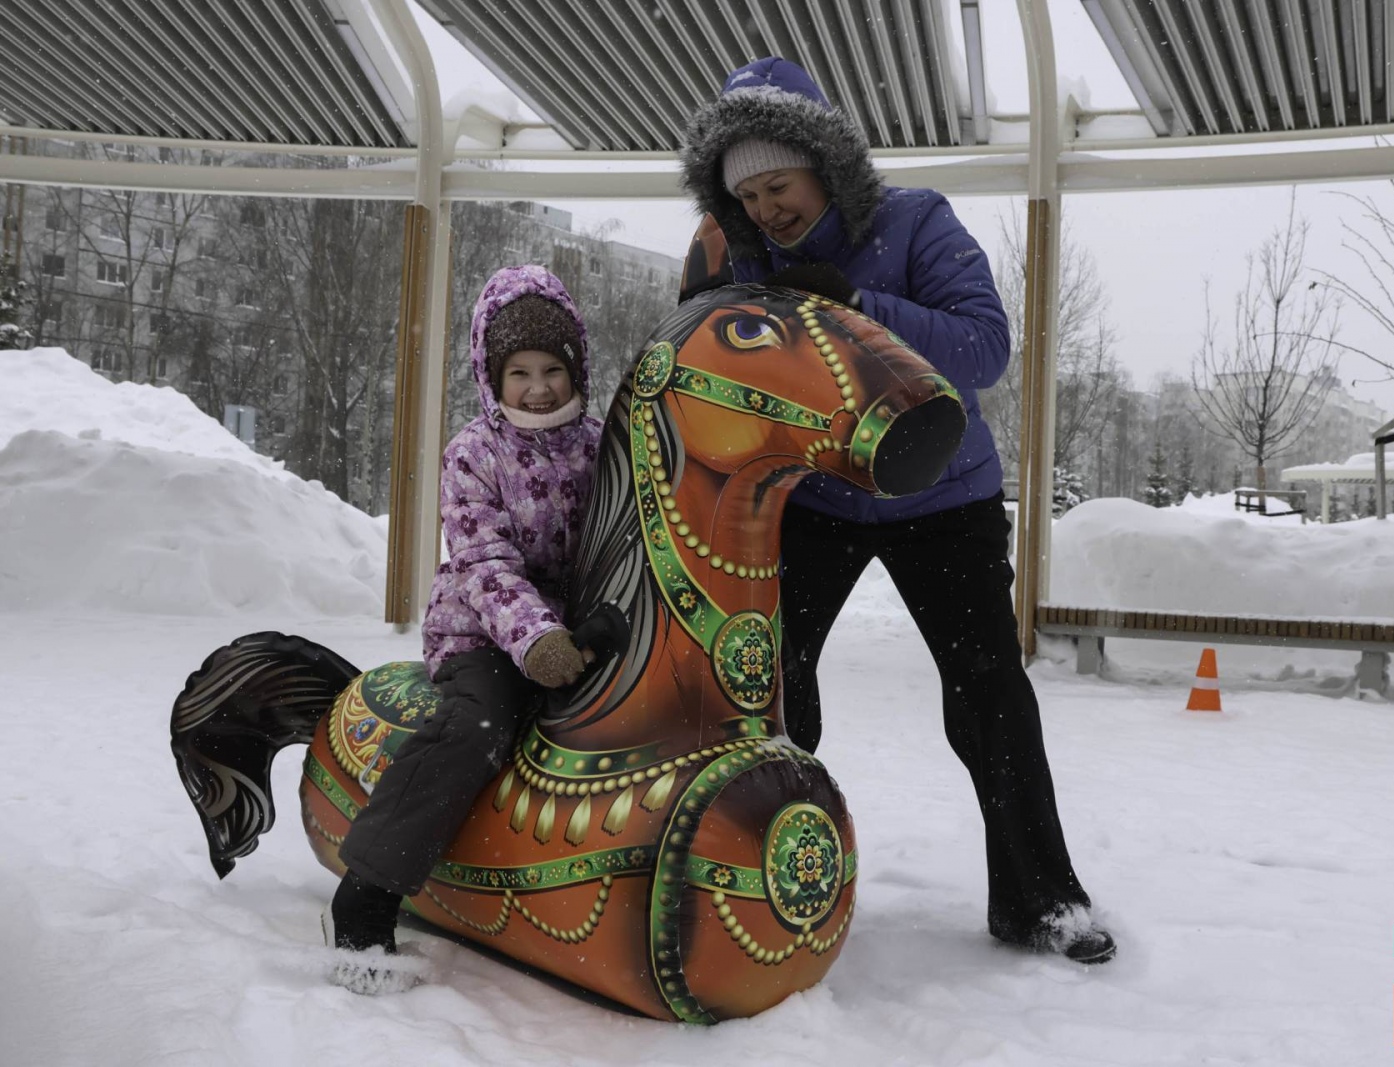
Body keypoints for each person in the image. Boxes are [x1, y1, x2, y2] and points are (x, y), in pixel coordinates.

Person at [679, 57, 1116, 964]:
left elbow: (986, 347)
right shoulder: (745, 259)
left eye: (778, 185)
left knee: (988, 693)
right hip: (816, 499)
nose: (766, 209)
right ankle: (758, 884)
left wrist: (857, 308)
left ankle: (1042, 899)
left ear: (824, 163)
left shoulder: (916, 220)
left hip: (941, 494)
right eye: (747, 195)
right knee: (765, 682)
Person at [325, 264, 602, 992]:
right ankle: (367, 895)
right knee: (480, 725)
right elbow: (483, 561)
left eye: (552, 369)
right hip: (483, 631)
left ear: (577, 368)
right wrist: (535, 637)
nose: (538, 388)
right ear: (491, 374)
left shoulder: (603, 445)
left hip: (574, 631)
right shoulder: (473, 453)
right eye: (520, 372)